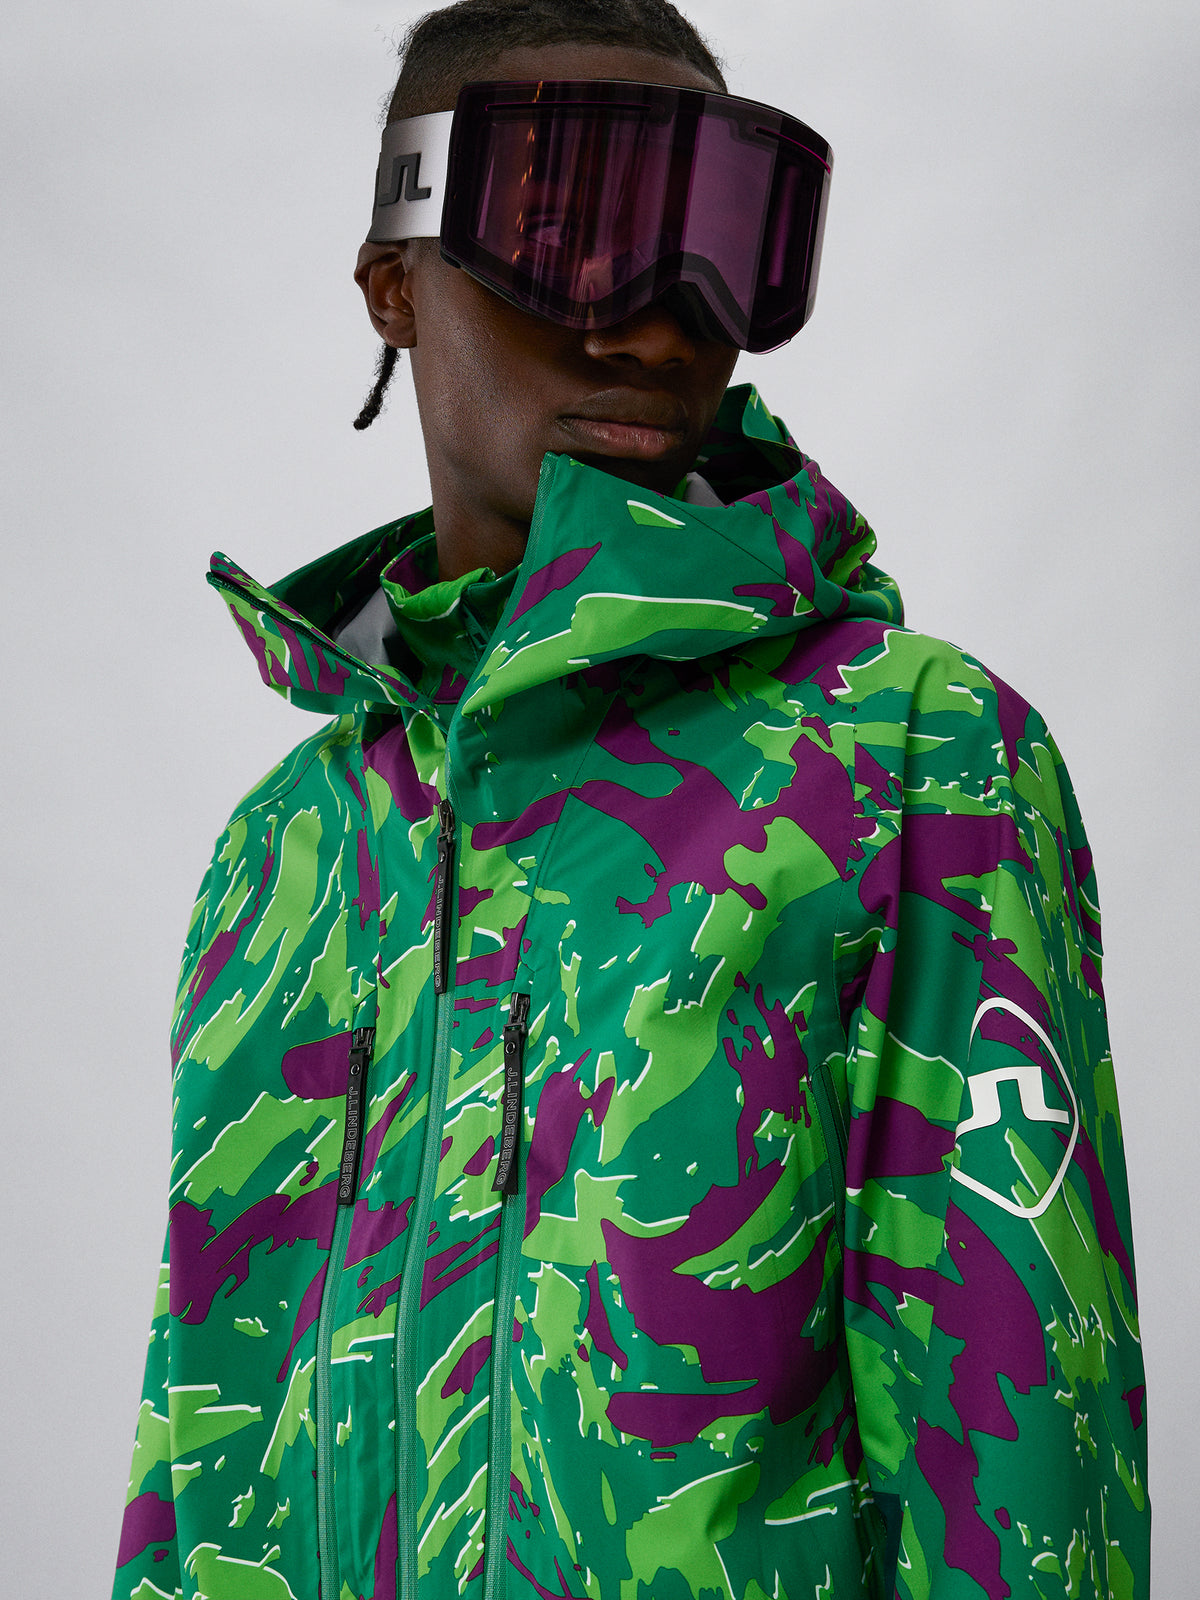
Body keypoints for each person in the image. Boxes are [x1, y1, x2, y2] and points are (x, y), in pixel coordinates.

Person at [112, 2, 1149, 1597]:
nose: (660, 329)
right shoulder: (284, 847)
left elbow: (1024, 1464)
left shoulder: (907, 757)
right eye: (571, 235)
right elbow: (191, 1446)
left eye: (719, 250)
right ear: (395, 280)